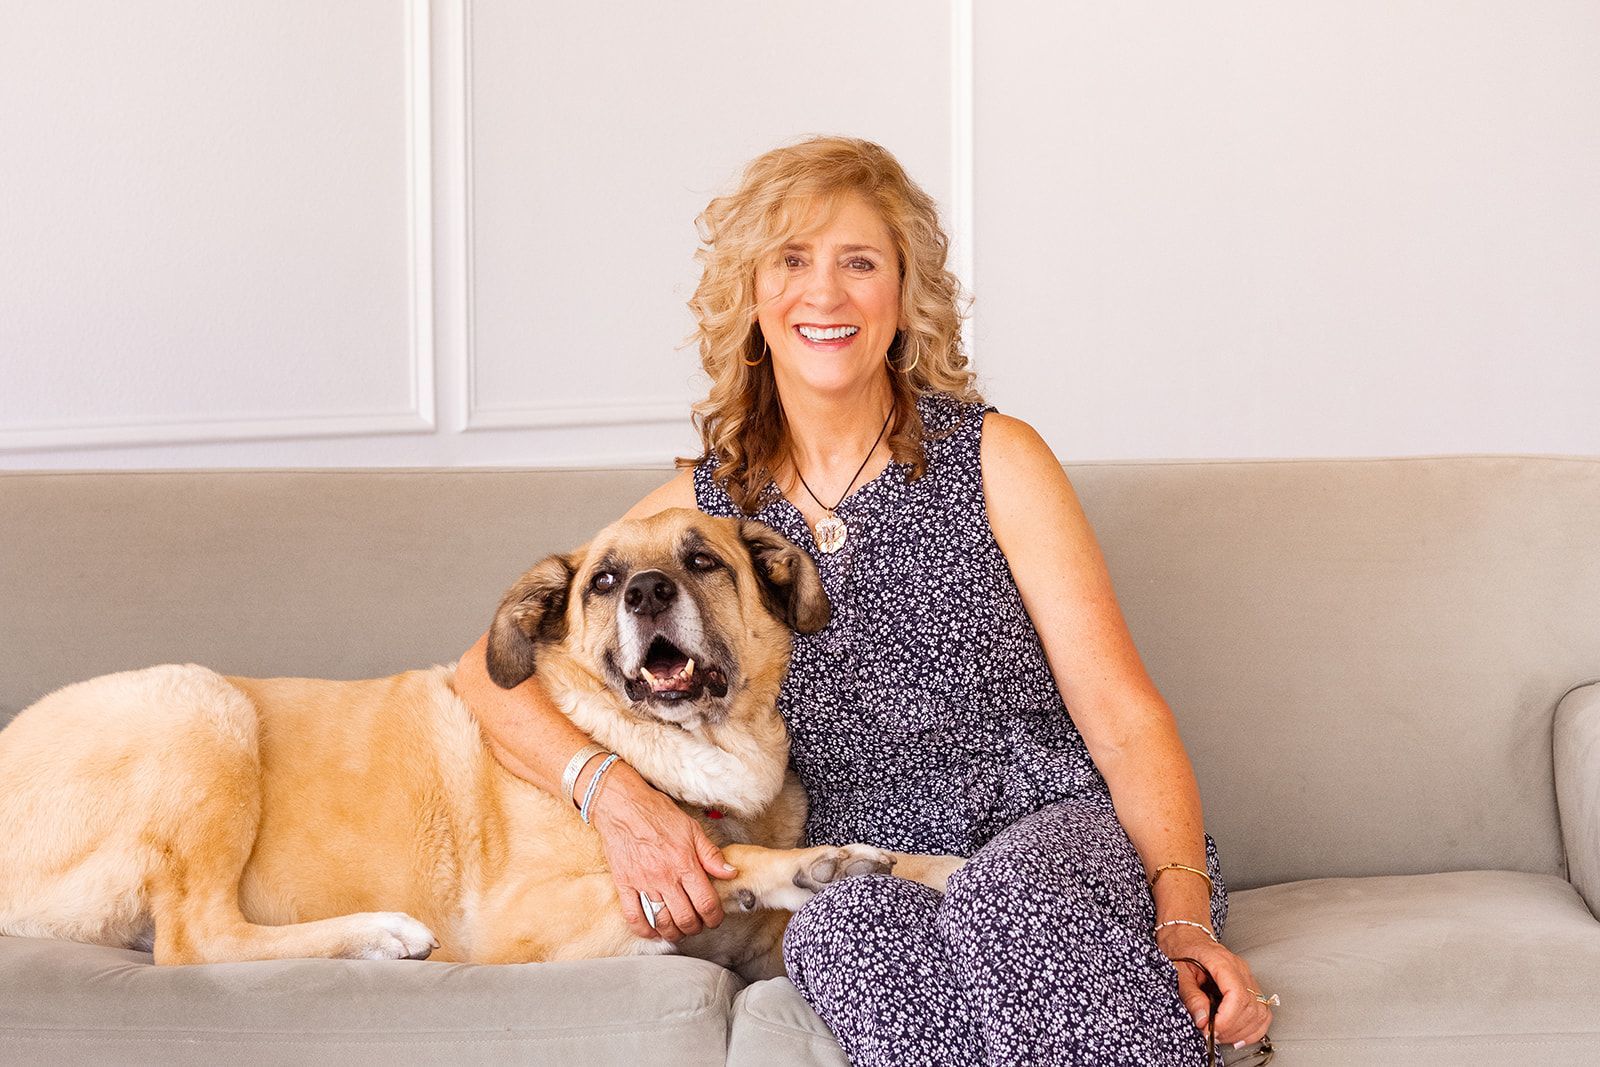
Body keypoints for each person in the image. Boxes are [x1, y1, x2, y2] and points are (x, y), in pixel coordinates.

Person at [455, 136, 1276, 1064]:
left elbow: (1124, 718)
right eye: (793, 261)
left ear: (905, 293)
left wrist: (1182, 921)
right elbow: (484, 678)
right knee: (836, 939)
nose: (826, 293)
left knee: (1011, 903)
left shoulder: (996, 459)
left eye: (860, 262)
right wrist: (617, 802)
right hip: (866, 867)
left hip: (1044, 831)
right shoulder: (702, 520)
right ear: (752, 299)